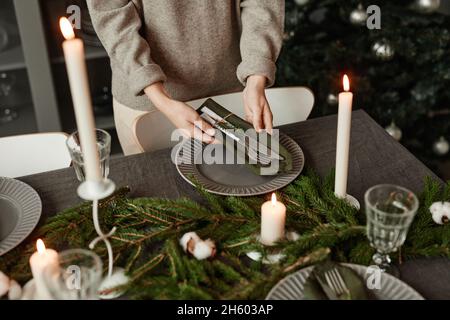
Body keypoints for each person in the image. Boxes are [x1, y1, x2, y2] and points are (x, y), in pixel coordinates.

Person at [87, 0, 285, 155]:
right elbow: (112, 17)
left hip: (232, 92)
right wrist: (161, 99)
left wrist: (256, 77)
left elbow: (262, 4)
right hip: (148, 103)